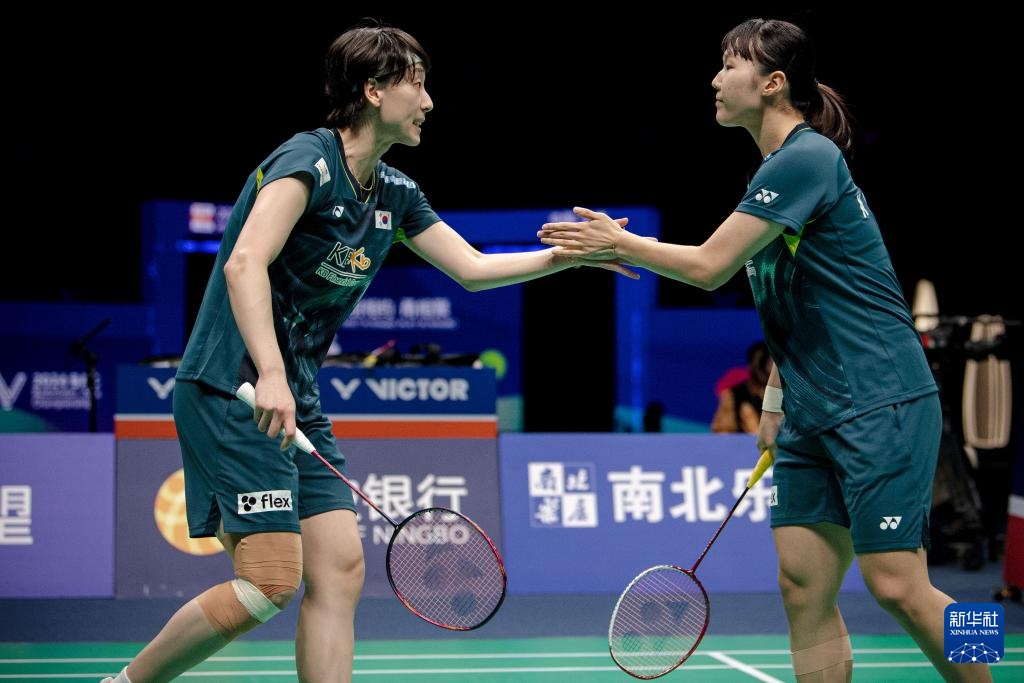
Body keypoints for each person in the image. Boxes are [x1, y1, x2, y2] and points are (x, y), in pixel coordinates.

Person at [101, 21, 635, 683]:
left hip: (293, 396)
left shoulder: (395, 193)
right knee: (268, 582)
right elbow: (244, 262)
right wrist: (271, 374)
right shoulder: (308, 161)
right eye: (417, 83)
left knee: (341, 567)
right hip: (236, 389)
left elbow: (471, 268)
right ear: (374, 90)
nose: (429, 101)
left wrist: (568, 259)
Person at [538, 18, 991, 683]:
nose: (716, 79)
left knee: (899, 583)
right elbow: (795, 303)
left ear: (773, 82)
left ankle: (989, 666)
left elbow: (709, 267)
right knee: (802, 585)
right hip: (812, 412)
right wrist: (777, 401)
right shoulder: (772, 174)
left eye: (730, 65)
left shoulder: (808, 159)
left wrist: (619, 243)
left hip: (880, 398)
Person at [711, 340, 771, 433]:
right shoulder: (733, 394)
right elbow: (721, 431)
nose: (762, 368)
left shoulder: (784, 394)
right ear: (750, 364)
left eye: (767, 362)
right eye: (760, 361)